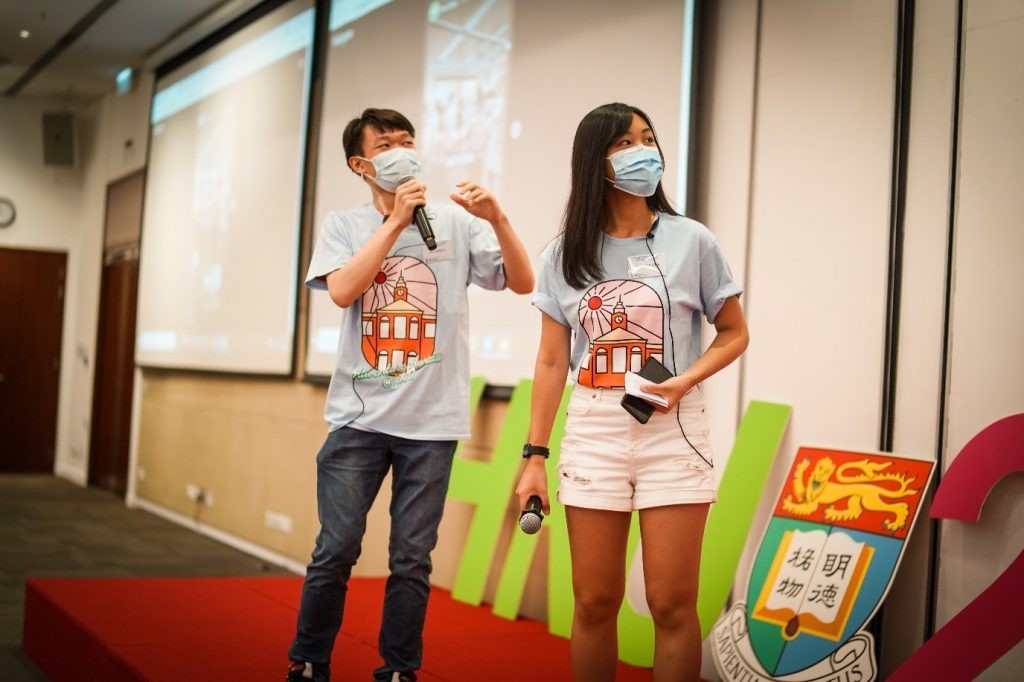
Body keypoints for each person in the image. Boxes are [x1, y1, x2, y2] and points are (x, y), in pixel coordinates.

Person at [287, 108, 533, 682]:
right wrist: (394, 223)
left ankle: (399, 670)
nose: (403, 150)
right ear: (361, 163)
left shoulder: (452, 221)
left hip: (433, 423)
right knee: (337, 548)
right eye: (387, 144)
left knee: (412, 561)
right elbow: (343, 291)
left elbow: (522, 281)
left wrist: (497, 218)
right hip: (359, 419)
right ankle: (308, 660)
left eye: (408, 140)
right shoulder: (344, 224)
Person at [515, 102, 748, 682]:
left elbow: (735, 333)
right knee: (593, 603)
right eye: (624, 143)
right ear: (596, 162)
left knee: (670, 606)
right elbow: (549, 361)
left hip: (674, 425)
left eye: (647, 138)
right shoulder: (563, 253)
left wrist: (685, 380)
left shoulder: (691, 240)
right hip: (593, 428)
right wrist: (534, 457)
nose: (643, 151)